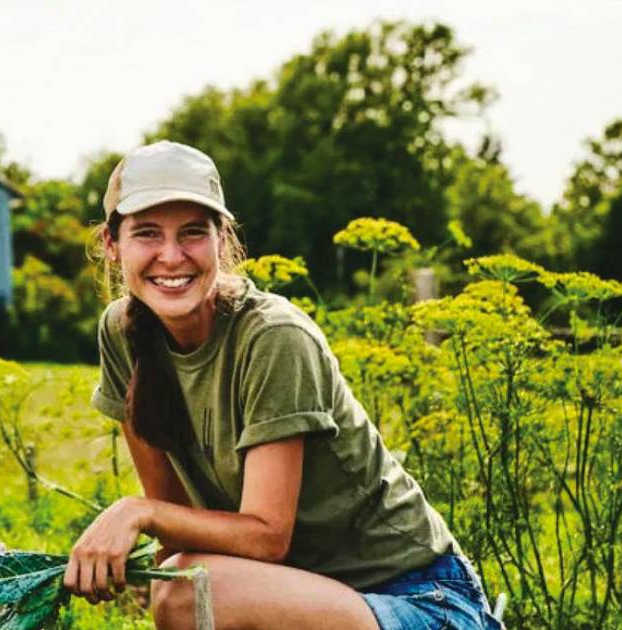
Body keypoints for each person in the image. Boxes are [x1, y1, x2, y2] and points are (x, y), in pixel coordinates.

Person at [62, 140, 504, 630]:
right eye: (147, 233)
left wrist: (135, 513)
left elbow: (266, 537)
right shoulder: (122, 332)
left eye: (192, 233)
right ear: (111, 243)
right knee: (179, 580)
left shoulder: (273, 337)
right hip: (303, 592)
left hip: (420, 599)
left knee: (182, 591)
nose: (171, 256)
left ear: (221, 239)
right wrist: (146, 527)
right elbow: (178, 531)